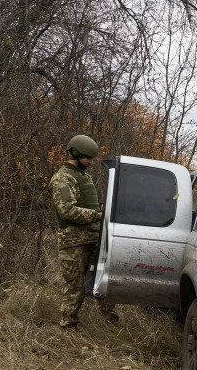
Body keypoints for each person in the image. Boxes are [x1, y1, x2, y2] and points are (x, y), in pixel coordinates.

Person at [50, 134, 118, 328]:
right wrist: (97, 215)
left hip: (93, 238)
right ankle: (68, 326)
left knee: (103, 280)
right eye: (88, 157)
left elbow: (89, 205)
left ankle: (110, 323)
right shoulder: (62, 178)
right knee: (74, 287)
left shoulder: (82, 176)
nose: (91, 162)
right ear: (75, 153)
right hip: (74, 243)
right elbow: (66, 211)